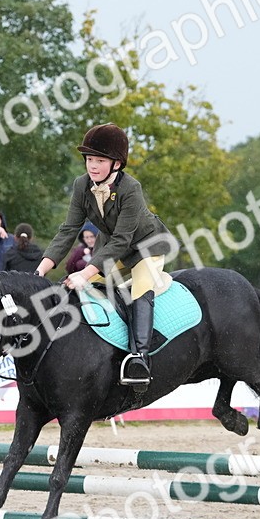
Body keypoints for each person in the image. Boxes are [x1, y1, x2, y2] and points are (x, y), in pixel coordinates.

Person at [36, 123, 177, 389]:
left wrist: (86, 271)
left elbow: (123, 240)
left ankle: (140, 360)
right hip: (111, 250)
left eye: (100, 160)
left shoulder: (131, 188)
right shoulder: (82, 185)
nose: (93, 166)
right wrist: (41, 268)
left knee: (139, 289)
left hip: (146, 248)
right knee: (93, 289)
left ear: (116, 164)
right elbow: (68, 229)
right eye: (89, 159)